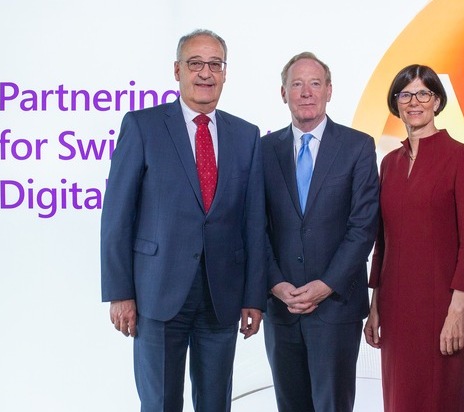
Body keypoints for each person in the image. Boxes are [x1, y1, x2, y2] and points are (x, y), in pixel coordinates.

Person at [100, 29, 266, 412]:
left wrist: (253, 296)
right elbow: (117, 217)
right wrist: (120, 293)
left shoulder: (246, 135)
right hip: (156, 295)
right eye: (195, 64)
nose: (205, 73)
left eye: (215, 64)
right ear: (177, 71)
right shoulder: (142, 126)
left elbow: (254, 224)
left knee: (216, 404)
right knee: (160, 403)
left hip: (221, 298)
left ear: (225, 73)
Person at [363, 64, 464, 411]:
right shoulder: (389, 164)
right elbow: (383, 243)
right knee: (400, 400)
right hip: (395, 309)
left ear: (437, 101)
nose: (414, 102)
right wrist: (375, 307)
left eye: (423, 93)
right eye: (405, 94)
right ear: (396, 103)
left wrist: (456, 312)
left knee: (440, 400)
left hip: (442, 308)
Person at [262, 51, 379, 412]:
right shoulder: (263, 150)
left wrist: (326, 285)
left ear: (329, 90)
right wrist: (275, 284)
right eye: (297, 84)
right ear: (283, 93)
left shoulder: (358, 146)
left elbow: (363, 226)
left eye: (315, 83)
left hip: (336, 307)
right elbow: (255, 227)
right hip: (281, 308)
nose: (306, 92)